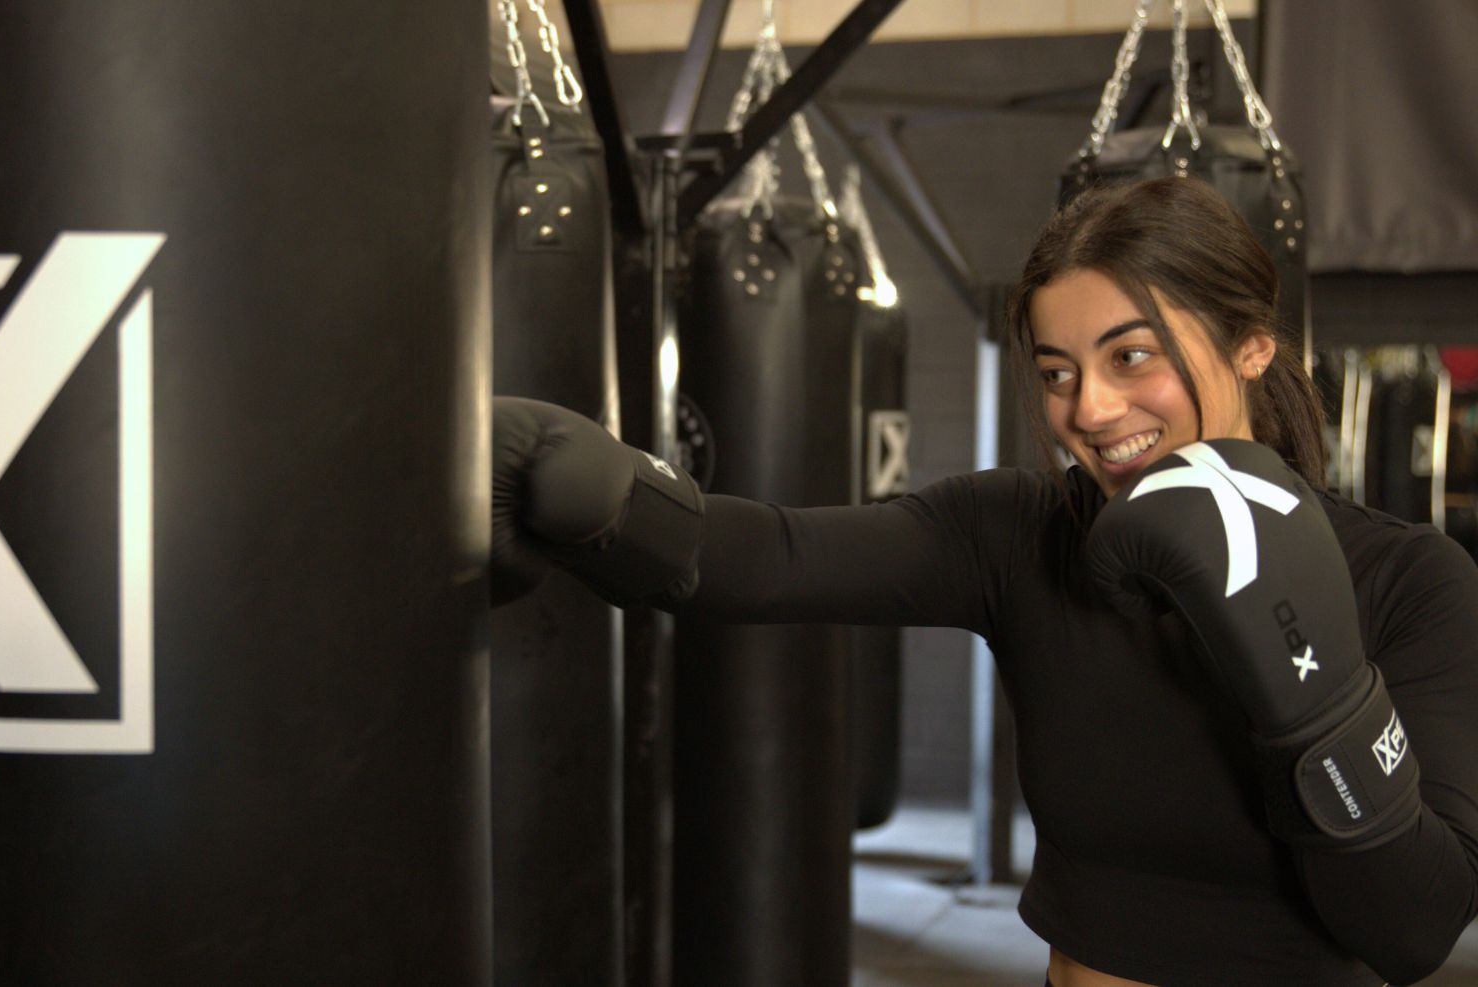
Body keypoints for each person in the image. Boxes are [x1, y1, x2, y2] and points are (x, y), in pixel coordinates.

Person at [491, 176, 1478, 987]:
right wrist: (604, 491)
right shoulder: (1023, 534)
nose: (1089, 409)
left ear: (1253, 347)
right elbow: (774, 556)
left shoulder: (1408, 580)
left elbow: (1412, 929)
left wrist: (1320, 700)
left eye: (1132, 356)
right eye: (1057, 373)